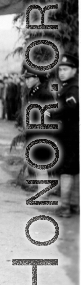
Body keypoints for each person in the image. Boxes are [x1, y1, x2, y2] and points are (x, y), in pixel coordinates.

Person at [55, 53, 79, 217]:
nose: (61, 72)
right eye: (60, 69)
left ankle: (65, 207)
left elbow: (71, 108)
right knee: (73, 169)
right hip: (68, 134)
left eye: (65, 69)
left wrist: (53, 114)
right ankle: (74, 205)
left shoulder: (73, 88)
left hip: (71, 135)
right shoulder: (67, 86)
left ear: (74, 70)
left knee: (66, 170)